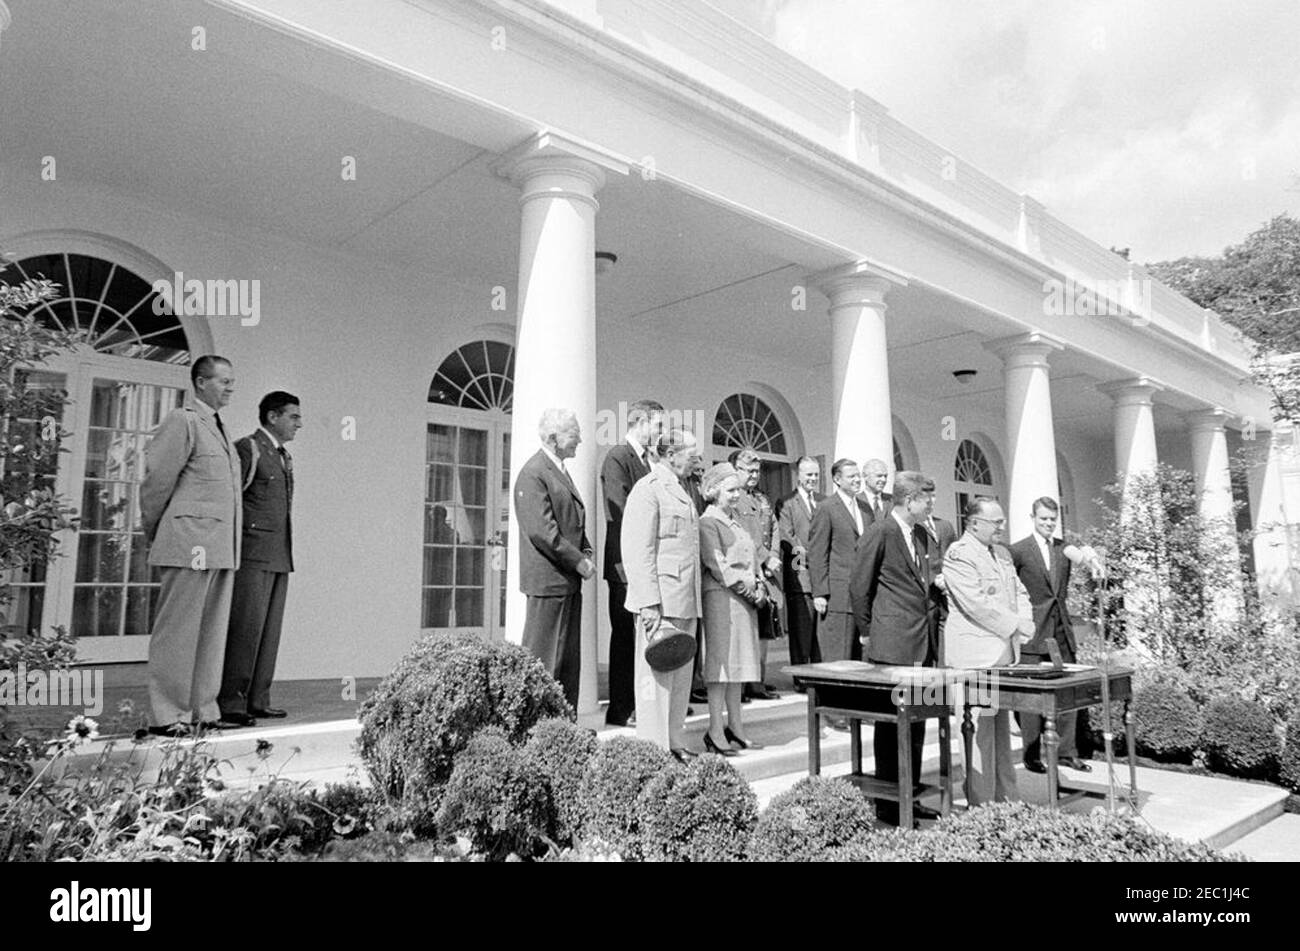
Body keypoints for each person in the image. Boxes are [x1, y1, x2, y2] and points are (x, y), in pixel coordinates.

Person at [139, 355, 244, 736]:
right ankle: (168, 713)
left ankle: (203, 708)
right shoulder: (182, 421)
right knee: (178, 631)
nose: (231, 388)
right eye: (224, 381)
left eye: (233, 382)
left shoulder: (218, 427)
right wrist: (156, 531)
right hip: (188, 541)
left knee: (211, 632)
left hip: (218, 544)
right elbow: (157, 482)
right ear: (200, 382)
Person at [849, 470, 942, 826]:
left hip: (921, 644)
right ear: (909, 500)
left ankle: (911, 794)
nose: (931, 503)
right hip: (892, 645)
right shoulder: (881, 531)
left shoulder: (919, 533)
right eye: (926, 498)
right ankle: (889, 804)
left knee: (917, 726)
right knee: (891, 730)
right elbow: (860, 586)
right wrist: (868, 632)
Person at [943, 497, 1036, 806]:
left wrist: (1026, 620)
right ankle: (981, 807)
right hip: (975, 659)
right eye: (996, 522)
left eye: (1002, 521)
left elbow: (1020, 592)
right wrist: (1016, 625)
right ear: (974, 523)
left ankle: (1008, 801)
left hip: (1003, 657)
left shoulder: (1003, 554)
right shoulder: (959, 555)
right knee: (978, 734)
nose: (1002, 527)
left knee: (1000, 735)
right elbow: (977, 604)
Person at [218, 391, 301, 722]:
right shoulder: (248, 448)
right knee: (245, 628)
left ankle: (258, 698)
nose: (299, 423)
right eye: (293, 416)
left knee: (269, 631)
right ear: (272, 417)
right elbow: (232, 500)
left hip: (279, 553)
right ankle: (231, 702)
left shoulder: (283, 456)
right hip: (253, 555)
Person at [622, 429, 703, 761]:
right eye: (691, 453)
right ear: (670, 455)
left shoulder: (682, 489)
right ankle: (654, 749)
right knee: (656, 680)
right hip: (661, 600)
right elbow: (637, 549)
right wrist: (648, 603)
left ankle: (675, 742)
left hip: (685, 597)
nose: (696, 459)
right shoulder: (648, 489)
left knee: (681, 675)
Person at [514, 408, 595, 711]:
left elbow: (571, 520)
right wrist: (579, 561)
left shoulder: (557, 469)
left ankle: (563, 725)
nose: (581, 441)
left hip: (566, 582)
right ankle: (537, 727)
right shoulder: (534, 473)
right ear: (553, 438)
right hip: (549, 581)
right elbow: (543, 532)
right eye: (574, 436)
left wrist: (585, 550)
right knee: (545, 661)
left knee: (566, 662)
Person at [1009, 497, 1092, 773]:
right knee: (1030, 697)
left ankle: (1067, 752)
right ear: (1032, 517)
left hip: (1060, 630)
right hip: (1033, 631)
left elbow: (1081, 566)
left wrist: (1091, 557)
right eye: (1044, 518)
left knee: (1068, 692)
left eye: (1052, 519)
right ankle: (1032, 754)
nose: (1048, 523)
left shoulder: (1063, 549)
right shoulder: (1019, 551)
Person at [600, 399, 663, 727]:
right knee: (625, 635)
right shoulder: (617, 457)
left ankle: (645, 704)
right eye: (658, 425)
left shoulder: (648, 461)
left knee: (644, 637)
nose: (661, 432)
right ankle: (621, 708)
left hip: (646, 560)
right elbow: (620, 511)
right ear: (640, 422)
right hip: (626, 563)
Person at [698, 463, 765, 754]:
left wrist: (760, 584)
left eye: (738, 489)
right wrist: (749, 589)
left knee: (736, 669)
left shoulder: (735, 520)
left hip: (743, 601)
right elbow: (718, 566)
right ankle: (715, 729)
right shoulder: (708, 522)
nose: (737, 495)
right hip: (722, 600)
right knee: (720, 667)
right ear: (713, 491)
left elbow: (752, 559)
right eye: (731, 490)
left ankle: (736, 726)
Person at [729, 448, 783, 701]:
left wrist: (773, 555)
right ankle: (741, 686)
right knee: (744, 632)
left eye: (756, 471)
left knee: (764, 630)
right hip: (746, 572)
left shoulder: (762, 499)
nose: (753, 475)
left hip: (766, 572)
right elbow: (744, 535)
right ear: (735, 470)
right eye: (748, 470)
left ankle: (757, 682)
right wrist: (765, 558)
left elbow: (774, 528)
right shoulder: (733, 499)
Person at [808, 458, 872, 665]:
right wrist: (819, 592)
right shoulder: (826, 508)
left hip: (863, 596)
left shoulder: (865, 509)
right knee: (838, 657)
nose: (857, 480)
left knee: (861, 659)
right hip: (837, 597)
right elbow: (818, 553)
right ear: (837, 479)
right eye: (851, 476)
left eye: (858, 475)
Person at [777, 455, 823, 670]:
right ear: (798, 475)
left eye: (816, 474)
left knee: (819, 633)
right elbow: (787, 538)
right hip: (799, 575)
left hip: (822, 577)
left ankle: (819, 673)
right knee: (801, 631)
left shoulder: (824, 501)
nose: (813, 478)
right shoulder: (786, 503)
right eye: (809, 474)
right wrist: (810, 558)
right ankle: (801, 675)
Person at [920, 489, 959, 664]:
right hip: (925, 597)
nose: (930, 500)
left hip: (946, 597)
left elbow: (955, 556)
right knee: (924, 652)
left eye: (932, 495)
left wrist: (950, 578)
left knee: (946, 649)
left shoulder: (945, 526)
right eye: (925, 496)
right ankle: (925, 690)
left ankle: (946, 686)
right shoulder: (913, 526)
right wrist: (934, 578)